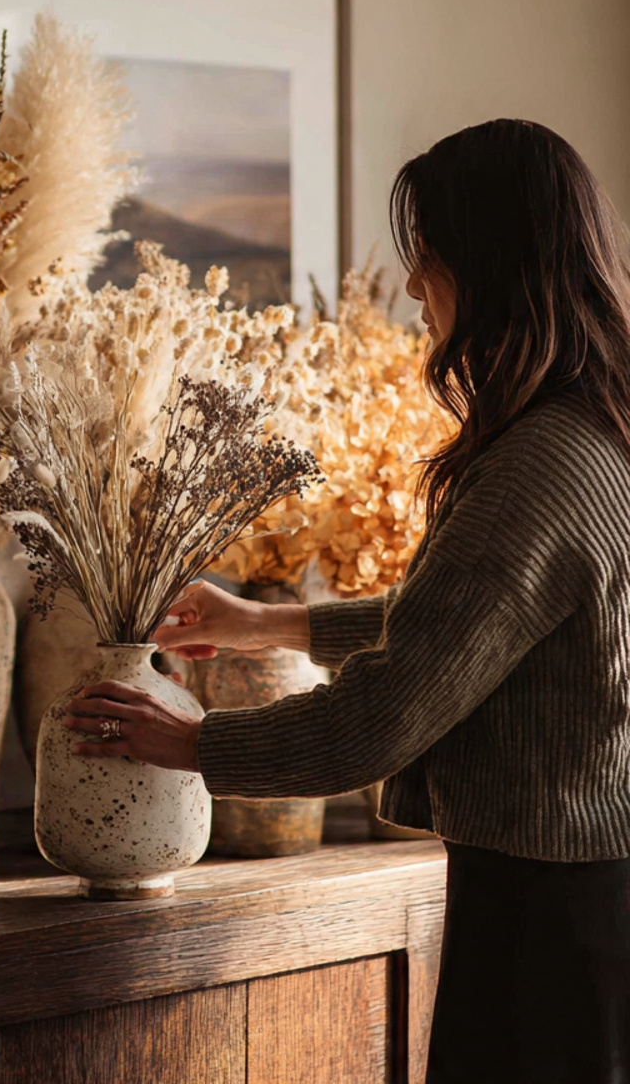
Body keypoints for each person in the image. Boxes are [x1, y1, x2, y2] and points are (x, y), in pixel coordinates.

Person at [63, 119, 630, 1084]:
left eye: (432, 255)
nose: (414, 285)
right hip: (586, 903)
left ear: (493, 263)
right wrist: (263, 622)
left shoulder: (540, 467)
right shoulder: (596, 428)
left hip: (546, 922)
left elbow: (383, 716)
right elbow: (476, 624)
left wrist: (186, 742)